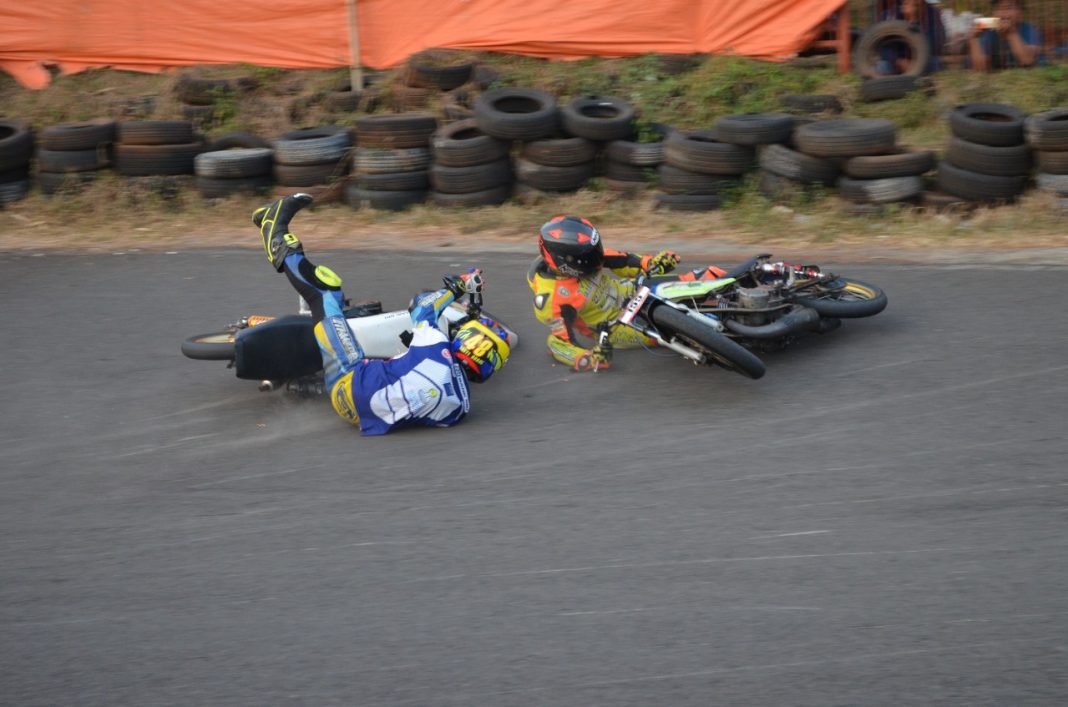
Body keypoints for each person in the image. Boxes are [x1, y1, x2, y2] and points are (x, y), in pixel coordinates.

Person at [254, 193, 511, 435]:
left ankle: (274, 230)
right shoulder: (460, 409)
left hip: (350, 380)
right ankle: (308, 379)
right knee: (392, 367)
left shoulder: (436, 348)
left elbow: (422, 307)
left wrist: (457, 287)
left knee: (325, 292)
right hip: (357, 414)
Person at [527, 215, 726, 372]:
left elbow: (625, 261)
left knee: (705, 276)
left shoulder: (587, 254)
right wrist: (588, 358)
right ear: (564, 262)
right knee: (678, 331)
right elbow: (557, 343)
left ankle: (739, 297)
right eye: (589, 256)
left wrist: (653, 263)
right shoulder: (551, 300)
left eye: (596, 249)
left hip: (633, 290)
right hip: (616, 325)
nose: (597, 258)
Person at [968, 0, 1042, 70]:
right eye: (998, 8)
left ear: (1020, 12)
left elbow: (1027, 61)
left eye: (1008, 8)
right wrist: (973, 39)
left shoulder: (1030, 29)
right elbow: (980, 68)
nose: (1003, 13)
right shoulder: (989, 31)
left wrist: (1011, 33)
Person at [877, 0, 947, 74]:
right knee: (882, 66)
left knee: (936, 64)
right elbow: (883, 46)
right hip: (896, 62)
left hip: (922, 60)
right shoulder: (891, 14)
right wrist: (898, 61)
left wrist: (913, 20)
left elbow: (935, 43)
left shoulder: (933, 13)